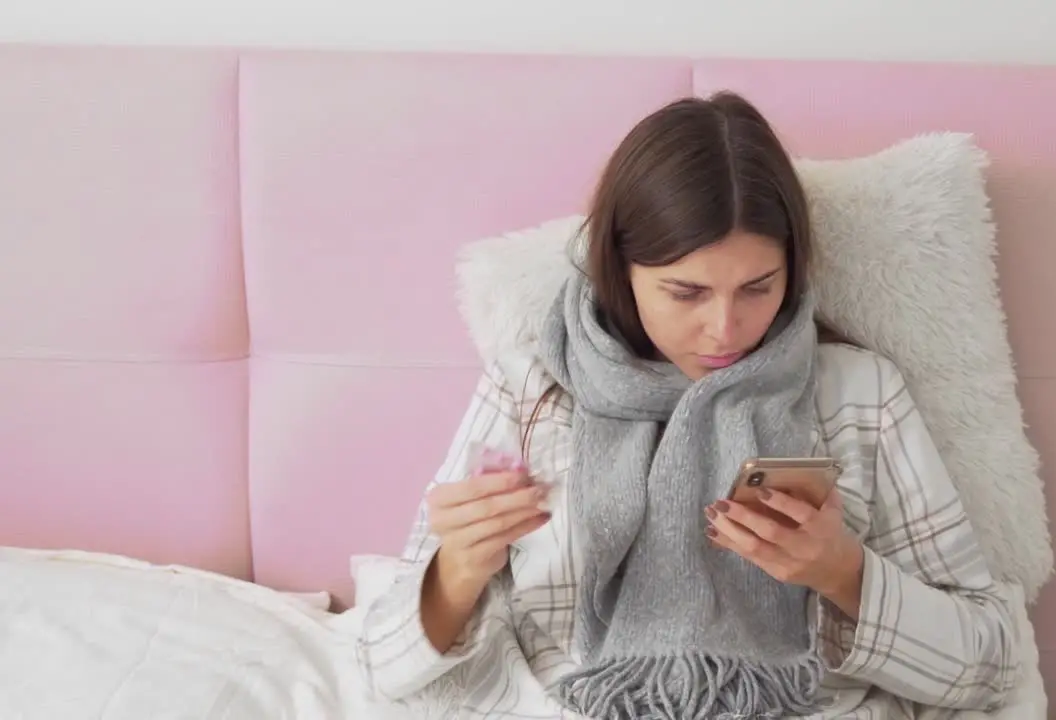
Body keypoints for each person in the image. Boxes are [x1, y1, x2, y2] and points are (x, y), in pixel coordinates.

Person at [358, 91, 1021, 720]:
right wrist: (459, 570)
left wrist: (842, 572)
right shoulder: (531, 390)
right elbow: (383, 664)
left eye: (758, 287)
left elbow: (991, 660)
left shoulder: (859, 394)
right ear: (620, 268)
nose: (727, 330)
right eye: (686, 293)